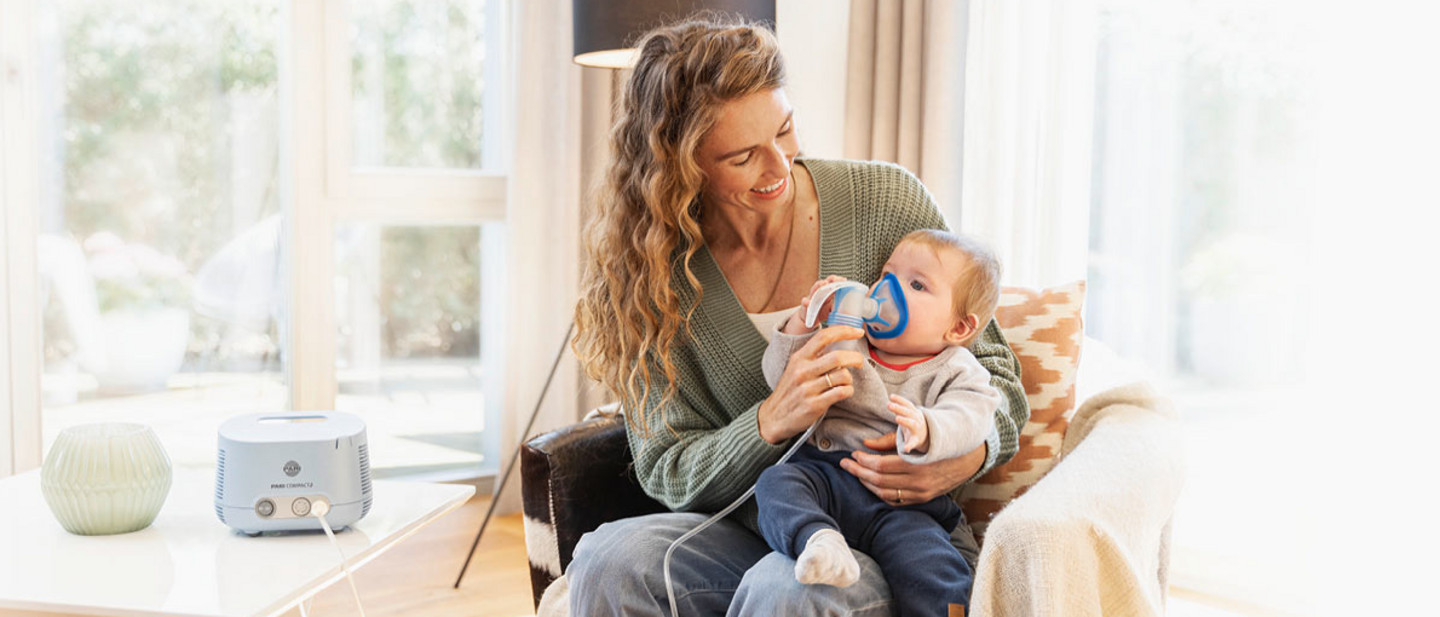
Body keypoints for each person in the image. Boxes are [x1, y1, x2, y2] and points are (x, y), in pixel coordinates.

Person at [568, 16, 1029, 616]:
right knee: (610, 560)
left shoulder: (884, 202)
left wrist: (965, 454)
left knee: (787, 588)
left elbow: (996, 372)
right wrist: (768, 421)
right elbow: (666, 468)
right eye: (742, 157)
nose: (779, 166)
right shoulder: (650, 275)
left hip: (890, 536)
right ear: (681, 167)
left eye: (785, 130)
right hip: (759, 522)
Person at [754, 230, 1003, 617]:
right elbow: (781, 378)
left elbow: (973, 417)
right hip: (824, 477)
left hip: (901, 508)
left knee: (932, 567)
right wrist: (804, 324)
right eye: (887, 273)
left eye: (916, 284)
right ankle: (818, 541)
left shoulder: (957, 369)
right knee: (774, 485)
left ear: (957, 328)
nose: (887, 289)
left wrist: (928, 428)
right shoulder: (846, 337)